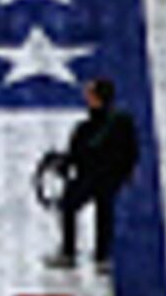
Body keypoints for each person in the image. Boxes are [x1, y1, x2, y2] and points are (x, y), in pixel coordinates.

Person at [45, 73, 140, 273]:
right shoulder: (123, 121)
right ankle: (102, 257)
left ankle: (68, 253)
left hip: (89, 178)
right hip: (111, 179)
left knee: (69, 207)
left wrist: (59, 164)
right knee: (104, 214)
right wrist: (127, 173)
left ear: (97, 98)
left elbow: (75, 156)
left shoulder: (84, 129)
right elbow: (131, 149)